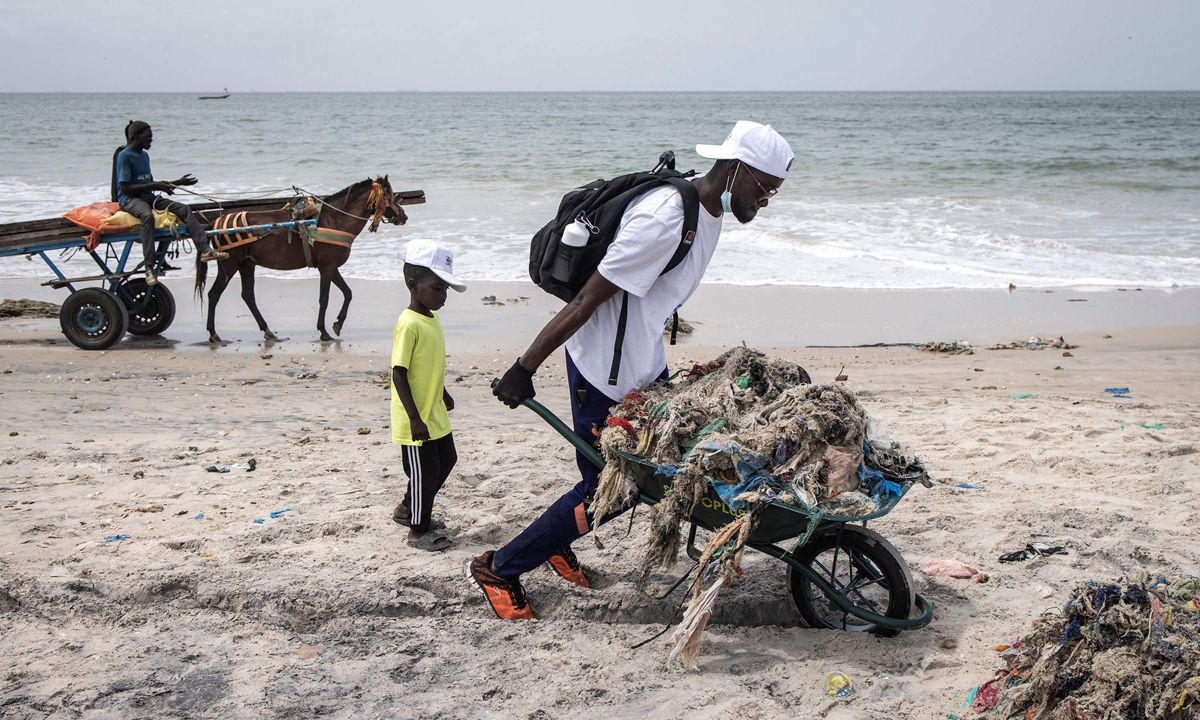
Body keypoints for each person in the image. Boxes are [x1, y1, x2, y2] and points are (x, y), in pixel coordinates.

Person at [470, 121, 795, 620]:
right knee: (614, 488)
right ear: (736, 171)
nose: (768, 199)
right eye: (766, 186)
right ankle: (501, 567)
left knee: (617, 479)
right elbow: (585, 300)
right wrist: (523, 367)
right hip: (604, 369)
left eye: (775, 189)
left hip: (642, 366)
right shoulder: (666, 218)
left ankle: (554, 543)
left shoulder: (708, 214)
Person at [390, 239, 466, 551]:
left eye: (445, 289)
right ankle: (417, 532)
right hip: (416, 416)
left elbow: (428, 363)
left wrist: (443, 392)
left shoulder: (431, 319)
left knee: (447, 458)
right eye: (437, 288)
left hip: (433, 409)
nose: (443, 295)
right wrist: (413, 418)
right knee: (424, 470)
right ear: (413, 285)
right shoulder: (409, 323)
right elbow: (399, 371)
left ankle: (408, 509)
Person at [115, 120, 227, 285]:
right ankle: (149, 267)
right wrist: (154, 186)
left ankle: (204, 249)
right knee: (147, 216)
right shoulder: (124, 156)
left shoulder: (144, 155)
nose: (151, 140)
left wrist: (178, 182)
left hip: (147, 196)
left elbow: (148, 183)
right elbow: (125, 188)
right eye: (148, 137)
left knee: (183, 209)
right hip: (130, 200)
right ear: (137, 136)